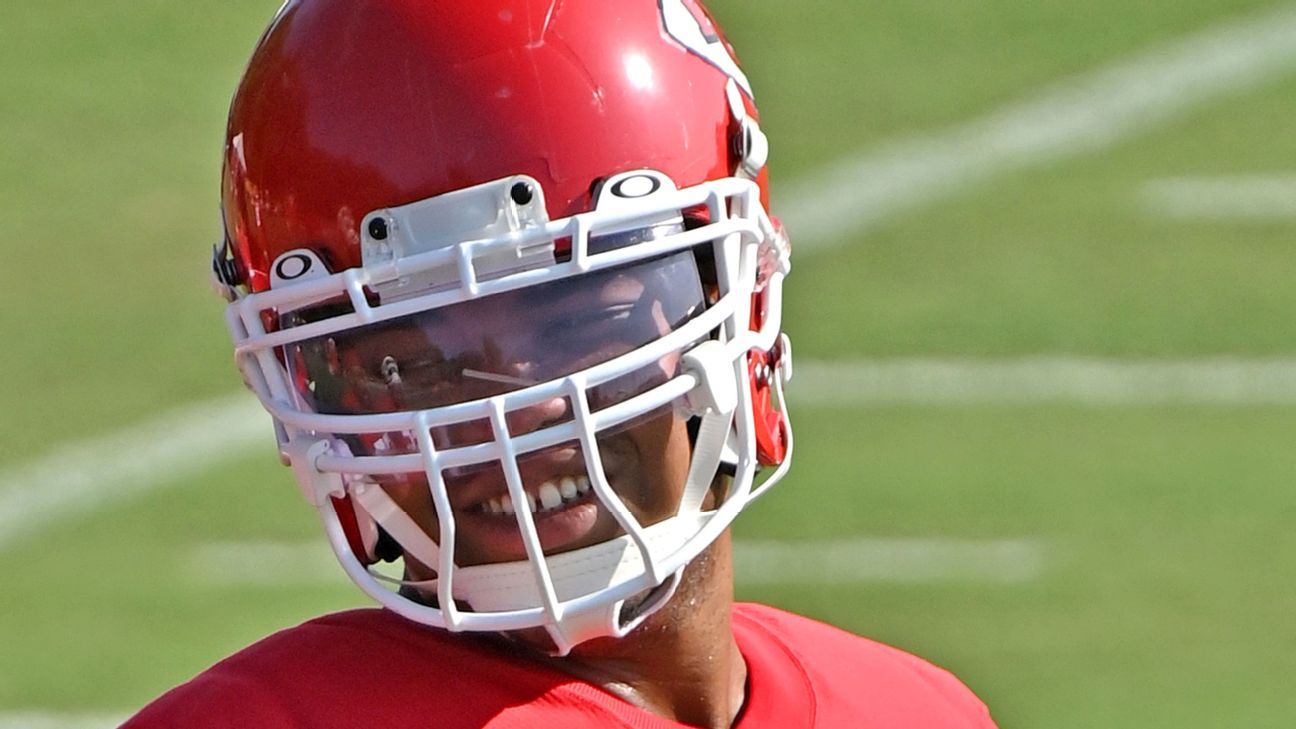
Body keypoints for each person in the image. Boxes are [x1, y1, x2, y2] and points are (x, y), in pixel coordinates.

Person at [124, 1, 997, 727]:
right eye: (414, 361)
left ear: (740, 293)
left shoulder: (914, 708)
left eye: (578, 317)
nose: (516, 406)